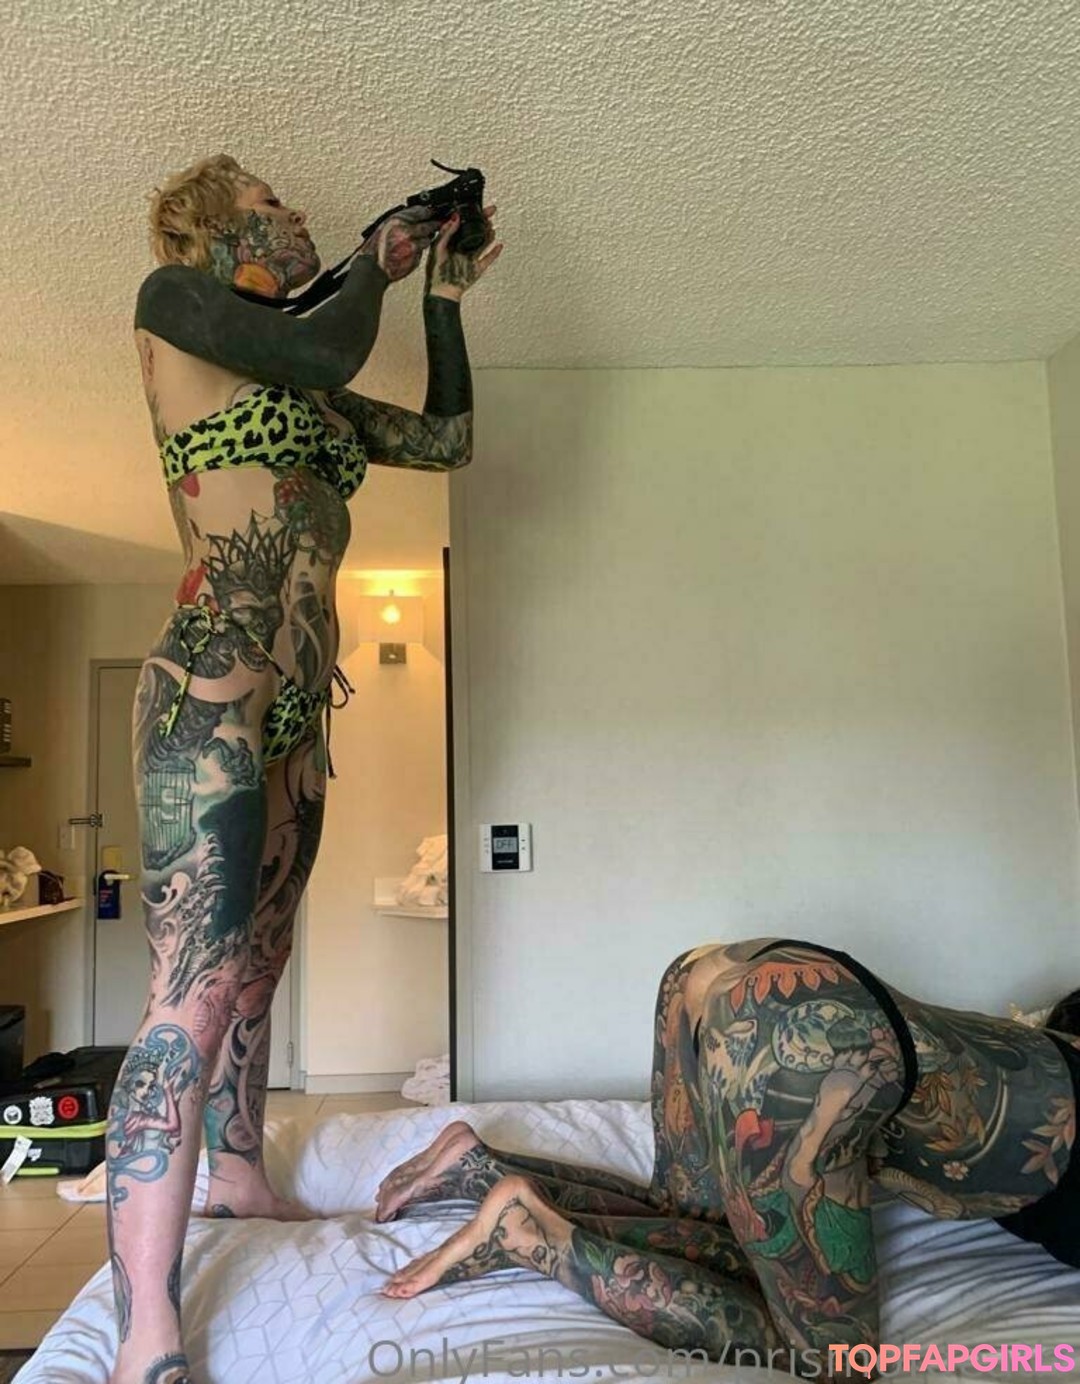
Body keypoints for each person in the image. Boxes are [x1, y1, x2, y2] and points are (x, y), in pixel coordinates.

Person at [106, 153, 501, 1384]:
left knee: (263, 963)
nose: (297, 220)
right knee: (192, 989)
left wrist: (441, 296)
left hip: (296, 710)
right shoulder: (174, 302)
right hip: (212, 684)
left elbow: (447, 438)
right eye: (273, 209)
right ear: (208, 234)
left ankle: (235, 1170)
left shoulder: (314, 399)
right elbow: (325, 344)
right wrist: (376, 262)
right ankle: (146, 1326)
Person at [377, 940, 1080, 1372]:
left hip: (723, 973)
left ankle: (479, 1168)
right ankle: (531, 1238)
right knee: (837, 1358)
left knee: (693, 1221)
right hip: (824, 1044)